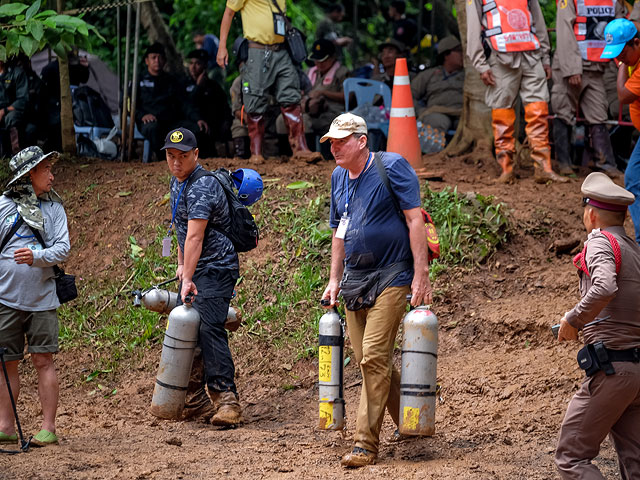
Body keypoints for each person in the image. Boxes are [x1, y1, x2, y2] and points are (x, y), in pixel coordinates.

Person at [320, 113, 432, 468]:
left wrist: (421, 274)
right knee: (373, 362)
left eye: (341, 141)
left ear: (362, 141)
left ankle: (365, 444)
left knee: (372, 357)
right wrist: (334, 279)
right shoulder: (338, 177)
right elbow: (339, 232)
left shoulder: (392, 167)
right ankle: (413, 419)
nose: (334, 147)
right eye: (331, 142)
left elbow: (415, 219)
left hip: (393, 274)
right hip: (355, 280)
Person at [555, 172, 640, 478]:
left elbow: (603, 287)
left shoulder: (601, 242)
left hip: (612, 370)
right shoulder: (633, 249)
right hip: (636, 372)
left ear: (591, 215)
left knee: (571, 458)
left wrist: (573, 319)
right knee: (636, 463)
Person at [163, 127, 242, 426]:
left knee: (209, 327)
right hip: (198, 265)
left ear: (196, 155)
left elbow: (195, 236)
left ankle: (227, 400)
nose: (176, 163)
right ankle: (194, 400)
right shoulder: (177, 182)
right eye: (171, 156)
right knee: (190, 327)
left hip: (217, 266)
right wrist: (182, 265)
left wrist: (188, 278)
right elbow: (182, 231)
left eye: (182, 157)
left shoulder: (202, 186)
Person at [0, 146, 70, 447]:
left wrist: (36, 256)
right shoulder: (2, 205)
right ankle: (5, 426)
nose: (52, 175)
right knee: (6, 363)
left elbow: (63, 249)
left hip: (42, 299)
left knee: (43, 360)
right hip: (5, 298)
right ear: (29, 175)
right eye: (46, 170)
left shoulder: (54, 208)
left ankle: (48, 427)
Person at [467, 0, 567, 184]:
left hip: (531, 55)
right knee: (502, 112)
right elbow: (473, 28)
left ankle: (543, 168)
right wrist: (480, 64)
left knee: (539, 110)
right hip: (499, 56)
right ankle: (507, 169)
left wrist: (545, 56)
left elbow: (538, 21)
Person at [217, 0, 323, 164]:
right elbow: (229, 12)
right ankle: (256, 151)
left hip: (281, 50)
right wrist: (222, 46)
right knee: (255, 98)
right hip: (257, 50)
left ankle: (300, 149)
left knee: (291, 95)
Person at [551, 0, 624, 177]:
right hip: (572, 65)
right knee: (563, 110)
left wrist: (620, 60)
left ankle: (605, 163)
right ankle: (564, 163)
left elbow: (619, 27)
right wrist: (571, 68)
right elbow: (564, 31)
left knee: (598, 112)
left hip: (597, 66)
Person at [603, 18, 640, 244]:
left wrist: (619, 68)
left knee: (634, 178)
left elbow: (623, 96)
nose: (619, 58)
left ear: (636, 43)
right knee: (633, 179)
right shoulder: (632, 64)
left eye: (622, 53)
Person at [135, 43, 206, 161]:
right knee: (153, 128)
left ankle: (194, 160)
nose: (157, 60)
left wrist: (197, 118)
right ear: (147, 61)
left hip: (171, 122)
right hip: (149, 122)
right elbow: (127, 104)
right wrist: (141, 115)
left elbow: (185, 103)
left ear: (165, 61)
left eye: (160, 57)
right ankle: (162, 160)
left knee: (195, 129)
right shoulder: (138, 80)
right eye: (153, 57)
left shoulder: (172, 81)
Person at [302, 39, 350, 155]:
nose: (319, 64)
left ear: (333, 57)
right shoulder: (310, 72)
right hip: (310, 112)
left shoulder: (342, 72)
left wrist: (323, 93)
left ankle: (324, 158)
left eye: (323, 60)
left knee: (315, 122)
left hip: (333, 112)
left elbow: (348, 97)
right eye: (316, 60)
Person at [411, 35, 464, 135]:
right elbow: (409, 95)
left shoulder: (469, 76)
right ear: (446, 54)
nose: (463, 54)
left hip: (462, 114)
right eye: (458, 51)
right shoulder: (429, 74)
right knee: (436, 122)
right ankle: (433, 151)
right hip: (437, 113)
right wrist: (421, 111)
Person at [184, 49, 232, 157]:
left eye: (197, 63)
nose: (193, 67)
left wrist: (226, 121)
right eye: (191, 63)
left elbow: (224, 106)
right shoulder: (183, 84)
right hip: (191, 123)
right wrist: (198, 87)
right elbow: (187, 106)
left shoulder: (213, 86)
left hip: (212, 124)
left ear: (204, 66)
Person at [0, 60, 29, 156]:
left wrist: (4, 111)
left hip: (13, 110)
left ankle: (16, 154)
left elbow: (22, 100)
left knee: (11, 118)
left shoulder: (17, 73)